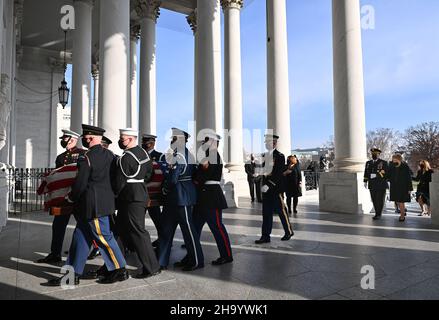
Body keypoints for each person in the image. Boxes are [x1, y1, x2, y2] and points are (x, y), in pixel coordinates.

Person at [45, 125, 128, 286]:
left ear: (89, 138)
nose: (84, 139)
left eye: (85, 137)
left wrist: (70, 197)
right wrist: (112, 194)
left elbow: (81, 183)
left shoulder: (86, 157)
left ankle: (120, 269)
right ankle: (72, 275)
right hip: (98, 204)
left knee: (104, 237)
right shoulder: (110, 155)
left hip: (92, 206)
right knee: (80, 239)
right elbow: (118, 178)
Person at [112, 128, 161, 279]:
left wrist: (113, 196)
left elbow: (118, 182)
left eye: (123, 138)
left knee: (138, 232)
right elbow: (149, 174)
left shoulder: (126, 157)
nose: (120, 141)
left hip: (130, 197)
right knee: (118, 232)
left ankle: (152, 267)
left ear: (131, 139)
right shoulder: (143, 154)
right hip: (139, 193)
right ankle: (115, 264)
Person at [36, 129, 85, 264]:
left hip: (77, 197)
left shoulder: (83, 154)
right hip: (63, 199)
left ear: (72, 140)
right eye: (63, 139)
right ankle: (55, 253)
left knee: (84, 225)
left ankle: (85, 250)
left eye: (65, 139)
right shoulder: (60, 157)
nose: (63, 141)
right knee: (58, 225)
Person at [158, 128, 204, 271]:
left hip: (181, 197)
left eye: (174, 138)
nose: (171, 140)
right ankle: (162, 260)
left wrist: (165, 189)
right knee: (167, 230)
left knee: (188, 231)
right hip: (177, 197)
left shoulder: (180, 155)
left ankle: (196, 260)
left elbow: (173, 178)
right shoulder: (184, 154)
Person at [192, 132, 233, 265]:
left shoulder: (213, 155)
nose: (204, 144)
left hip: (211, 196)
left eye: (207, 142)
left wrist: (195, 179)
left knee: (217, 227)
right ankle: (192, 252)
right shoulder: (208, 155)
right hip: (203, 197)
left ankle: (226, 255)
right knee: (195, 227)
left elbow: (203, 175)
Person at [255, 134, 294, 244]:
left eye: (268, 142)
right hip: (266, 189)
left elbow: (278, 174)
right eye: (265, 143)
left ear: (274, 143)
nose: (266, 144)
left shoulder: (280, 156)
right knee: (266, 213)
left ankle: (288, 231)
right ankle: (265, 236)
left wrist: (269, 185)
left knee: (282, 211)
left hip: (276, 189)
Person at [141, 134, 165, 249]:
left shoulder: (160, 156)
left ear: (153, 143)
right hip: (141, 193)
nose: (146, 144)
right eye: (144, 142)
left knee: (157, 218)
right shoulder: (140, 155)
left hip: (154, 194)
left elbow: (162, 174)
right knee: (139, 219)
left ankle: (162, 239)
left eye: (148, 142)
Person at [363, 147, 389, 220]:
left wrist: (376, 175)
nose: (374, 155)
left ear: (379, 154)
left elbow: (386, 173)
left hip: (381, 184)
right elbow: (366, 172)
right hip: (372, 184)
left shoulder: (383, 162)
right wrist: (365, 181)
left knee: (380, 199)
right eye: (372, 154)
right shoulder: (368, 163)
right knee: (374, 199)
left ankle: (379, 214)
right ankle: (376, 213)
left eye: (375, 154)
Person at [388, 154, 413, 222]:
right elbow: (388, 175)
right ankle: (403, 212)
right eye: (393, 159)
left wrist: (410, 188)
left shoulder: (405, 166)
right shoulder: (392, 166)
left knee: (401, 201)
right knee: (397, 201)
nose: (393, 160)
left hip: (403, 187)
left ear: (399, 159)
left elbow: (409, 178)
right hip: (394, 186)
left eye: (395, 159)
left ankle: (402, 216)